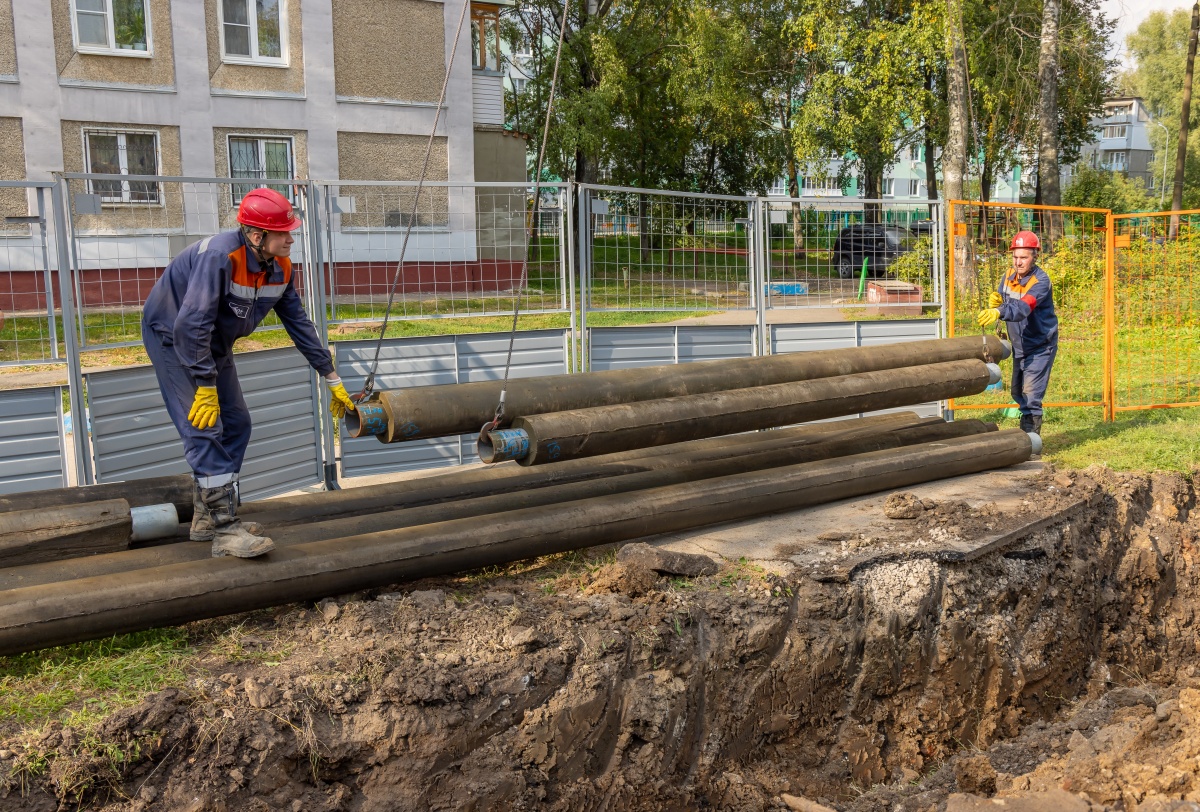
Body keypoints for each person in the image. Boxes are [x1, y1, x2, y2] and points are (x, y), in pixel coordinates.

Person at [142, 187, 357, 558]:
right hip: (174, 339)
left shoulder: (281, 267)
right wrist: (205, 385)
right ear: (257, 236)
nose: (291, 238)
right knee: (203, 426)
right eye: (284, 232)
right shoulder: (220, 256)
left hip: (212, 343)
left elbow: (299, 324)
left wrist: (331, 376)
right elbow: (190, 325)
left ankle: (207, 515)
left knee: (238, 423)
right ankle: (225, 529)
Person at [976, 230, 1058, 437]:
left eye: (1024, 257)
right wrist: (998, 301)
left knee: (1031, 395)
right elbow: (1006, 298)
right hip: (1019, 345)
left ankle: (1031, 442)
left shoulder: (1040, 282)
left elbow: (1023, 308)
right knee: (1017, 391)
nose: (1018, 262)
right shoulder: (1008, 276)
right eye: (1015, 257)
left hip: (1040, 346)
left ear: (1035, 256)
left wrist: (999, 311)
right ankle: (1025, 435)